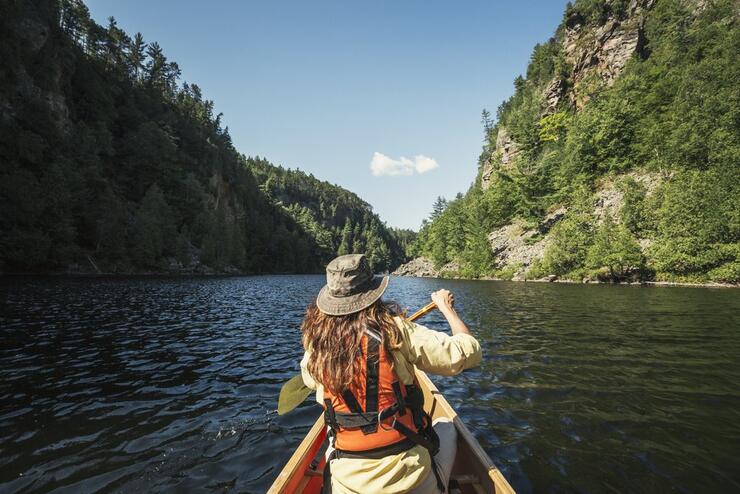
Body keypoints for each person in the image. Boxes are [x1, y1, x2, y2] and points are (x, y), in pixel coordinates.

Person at [300, 254, 482, 493]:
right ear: (373, 293)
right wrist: (447, 310)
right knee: (447, 425)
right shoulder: (396, 330)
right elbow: (468, 353)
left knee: (331, 438)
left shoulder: (317, 344)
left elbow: (309, 380)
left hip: (348, 484)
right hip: (409, 482)